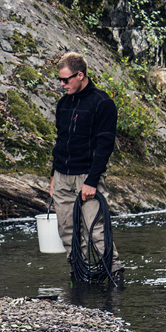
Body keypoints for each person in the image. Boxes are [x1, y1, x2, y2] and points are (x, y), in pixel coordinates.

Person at [49, 52, 124, 282]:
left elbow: (105, 146)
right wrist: (53, 176)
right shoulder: (63, 104)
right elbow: (60, 141)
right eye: (60, 80)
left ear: (80, 75)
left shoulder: (103, 103)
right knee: (66, 229)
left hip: (87, 175)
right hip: (62, 175)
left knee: (94, 229)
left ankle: (115, 273)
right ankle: (78, 274)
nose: (62, 85)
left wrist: (92, 180)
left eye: (66, 80)